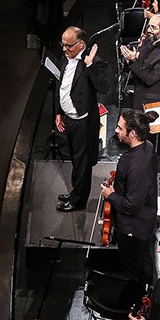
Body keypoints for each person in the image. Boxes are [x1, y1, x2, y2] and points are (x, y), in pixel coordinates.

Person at [100, 110, 159, 288]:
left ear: (132, 133)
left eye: (120, 128)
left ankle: (137, 293)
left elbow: (131, 205)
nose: (116, 130)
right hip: (141, 221)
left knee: (135, 267)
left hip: (134, 229)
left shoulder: (137, 166)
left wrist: (111, 195)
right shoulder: (147, 146)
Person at [55, 26, 105, 212]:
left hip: (83, 122)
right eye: (63, 45)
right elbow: (62, 87)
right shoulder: (65, 59)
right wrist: (59, 112)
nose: (64, 49)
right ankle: (76, 191)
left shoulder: (94, 62)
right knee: (75, 159)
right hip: (69, 118)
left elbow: (104, 87)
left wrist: (90, 65)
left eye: (68, 46)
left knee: (82, 163)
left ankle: (79, 201)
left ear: (81, 44)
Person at [121, 12, 160, 110]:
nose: (149, 30)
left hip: (152, 102)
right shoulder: (148, 41)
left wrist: (134, 60)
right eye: (149, 26)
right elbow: (139, 66)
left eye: (153, 28)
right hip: (138, 96)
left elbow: (150, 79)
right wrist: (129, 60)